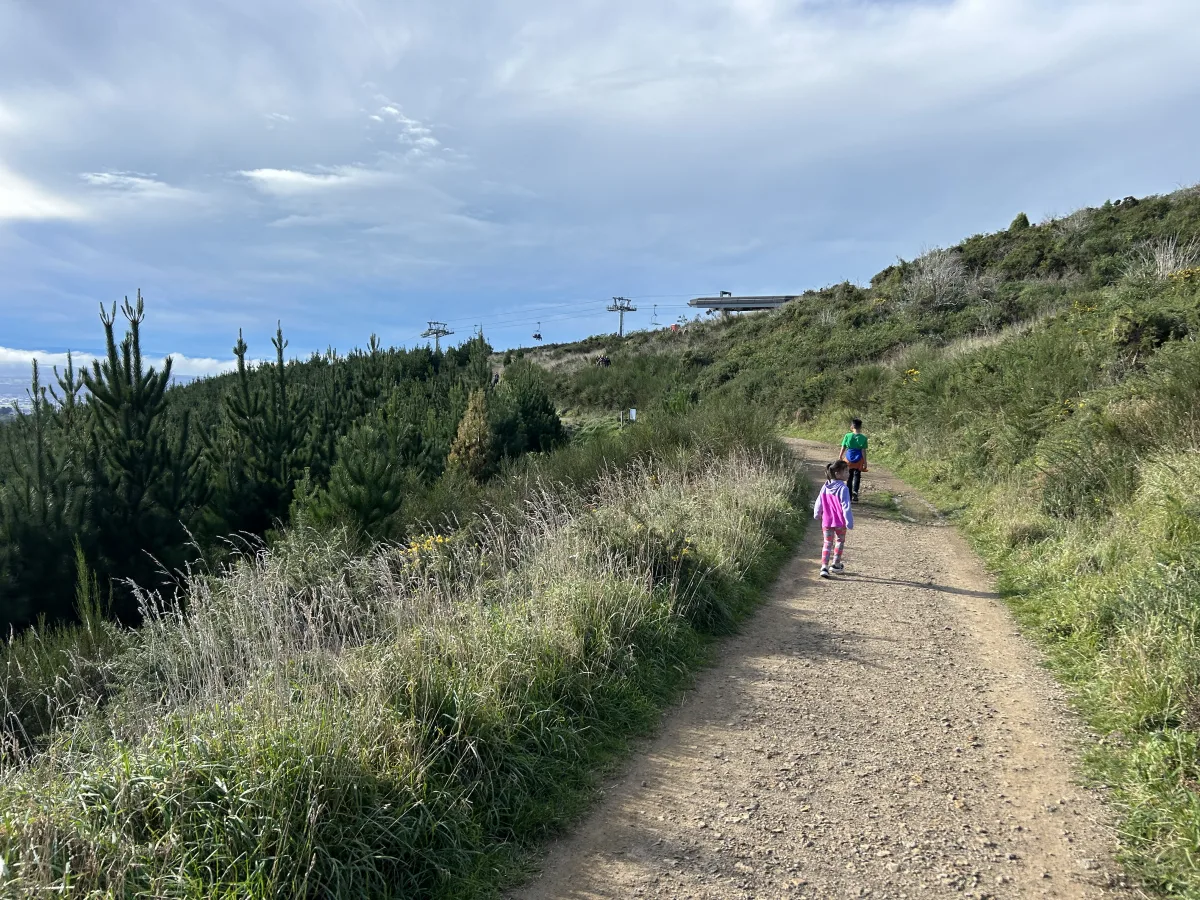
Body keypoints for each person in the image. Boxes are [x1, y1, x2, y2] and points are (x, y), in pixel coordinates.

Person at [813, 460, 854, 578]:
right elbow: (846, 506)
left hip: (826, 520)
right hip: (840, 522)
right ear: (837, 474)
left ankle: (824, 567)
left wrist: (817, 514)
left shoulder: (825, 486)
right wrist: (849, 522)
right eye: (846, 471)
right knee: (840, 541)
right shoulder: (843, 489)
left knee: (827, 543)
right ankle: (836, 564)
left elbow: (819, 502)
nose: (848, 473)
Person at [839, 417, 869, 502]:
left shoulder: (847, 435)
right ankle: (855, 493)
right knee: (857, 476)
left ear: (852, 426)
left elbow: (843, 446)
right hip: (859, 459)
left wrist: (840, 455)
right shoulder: (863, 438)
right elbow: (863, 450)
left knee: (849, 476)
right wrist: (865, 462)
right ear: (860, 427)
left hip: (849, 458)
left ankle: (849, 495)